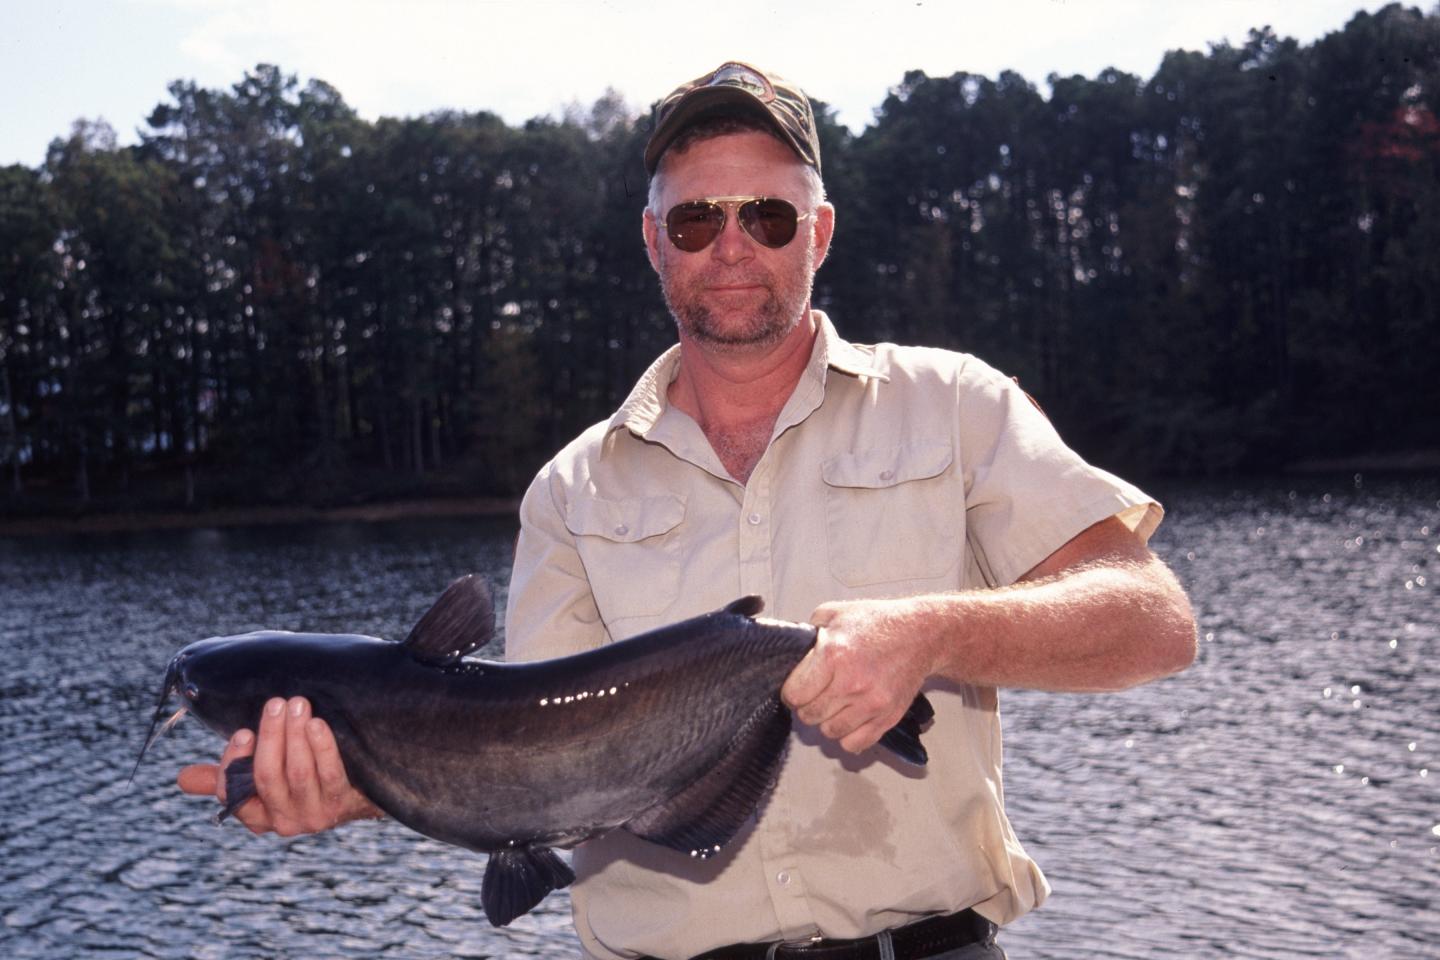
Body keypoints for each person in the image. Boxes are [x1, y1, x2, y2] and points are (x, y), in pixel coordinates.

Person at [179, 61, 1197, 960]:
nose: (733, 245)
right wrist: (361, 780)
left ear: (821, 232)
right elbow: (533, 773)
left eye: (770, 214)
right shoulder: (570, 492)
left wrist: (931, 630)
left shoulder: (959, 406)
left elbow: (1155, 623)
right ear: (654, 242)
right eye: (697, 219)